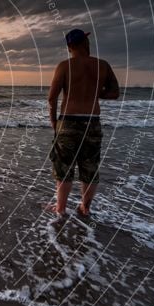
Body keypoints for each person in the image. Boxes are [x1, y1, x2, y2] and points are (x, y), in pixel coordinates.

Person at [47, 29, 119, 216]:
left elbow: (52, 98)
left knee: (64, 167)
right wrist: (96, 92)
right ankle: (85, 208)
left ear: (69, 47)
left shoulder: (64, 66)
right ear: (85, 44)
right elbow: (114, 93)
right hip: (92, 122)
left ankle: (61, 208)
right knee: (89, 167)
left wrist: (54, 122)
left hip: (68, 121)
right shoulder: (102, 65)